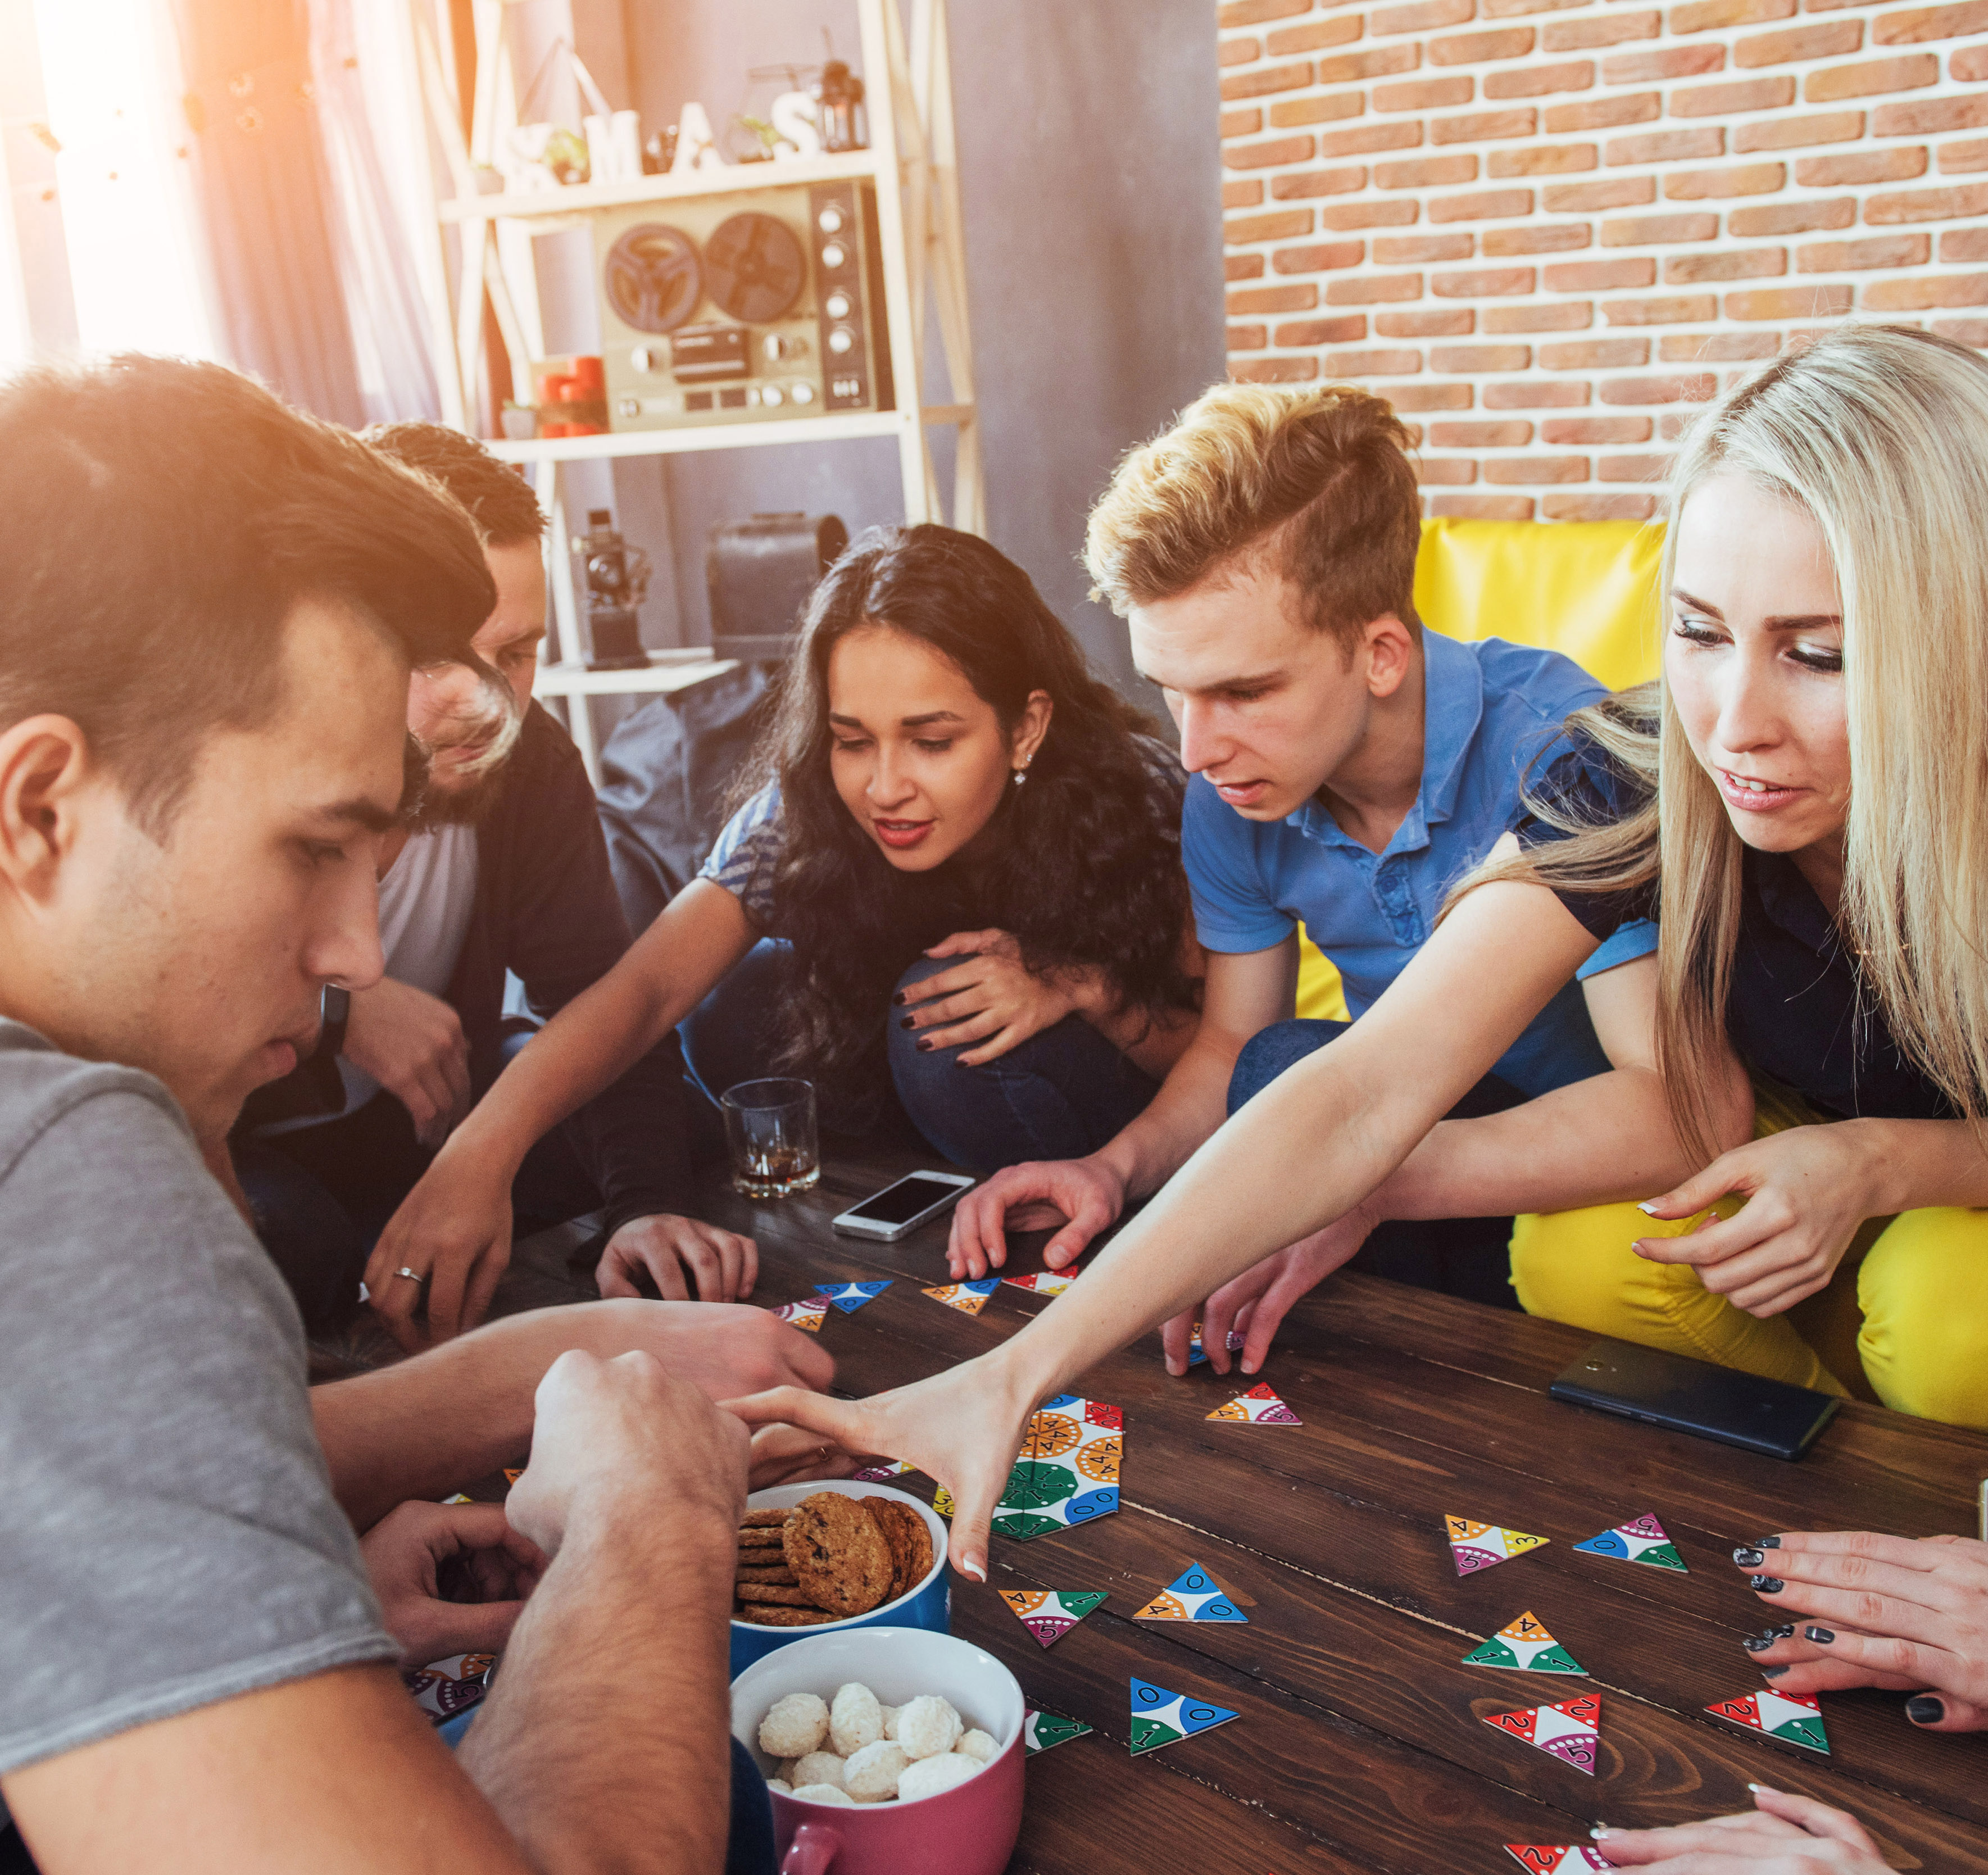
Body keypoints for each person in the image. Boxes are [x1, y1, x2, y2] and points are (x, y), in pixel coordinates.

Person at [728, 324, 1988, 1585]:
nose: (1733, 722)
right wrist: (1010, 1375)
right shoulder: (1635, 770)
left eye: (1814, 654)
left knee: (1942, 1312)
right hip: (1746, 1162)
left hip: (1909, 1169)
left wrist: (1877, 1157)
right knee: (1467, 1177)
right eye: (1698, 634)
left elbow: (1683, 1110)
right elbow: (1362, 1083)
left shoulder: (1573, 731)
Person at [0, 355, 837, 1875]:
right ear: (38, 806)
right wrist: (652, 1507)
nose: (356, 958)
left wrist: (465, 1405)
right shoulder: (62, 1165)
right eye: (313, 848)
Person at [946, 379, 1656, 1318]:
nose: (1195, 751)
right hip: (1398, 1122)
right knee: (1271, 1068)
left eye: (1242, 693)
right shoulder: (1233, 791)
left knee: (1293, 1096)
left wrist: (1355, 1176)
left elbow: (1667, 1105)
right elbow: (1231, 1041)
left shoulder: (1562, 755)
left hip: (1566, 1144)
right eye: (1172, 690)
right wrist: (1112, 1170)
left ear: (1381, 653)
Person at [371, 523, 1205, 1322]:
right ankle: (906, 1190)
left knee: (933, 1022)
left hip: (1107, 1112)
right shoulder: (800, 812)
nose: (884, 787)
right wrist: (476, 1159)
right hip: (897, 1106)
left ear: (1025, 726)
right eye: (852, 740)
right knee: (736, 994)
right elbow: (645, 989)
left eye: (931, 741)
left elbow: (1223, 1053)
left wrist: (1077, 982)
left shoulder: (1137, 792)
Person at [234, 421, 752, 1347]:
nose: (493, 704)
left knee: (678, 1130)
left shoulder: (530, 757)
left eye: (518, 654)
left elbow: (603, 1001)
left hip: (434, 1120)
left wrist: (644, 1209)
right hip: (257, 1145)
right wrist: (340, 1010)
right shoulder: (250, 759)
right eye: (450, 656)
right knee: (291, 1245)